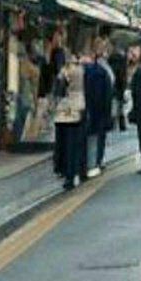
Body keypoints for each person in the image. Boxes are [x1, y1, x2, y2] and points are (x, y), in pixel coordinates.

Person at [52, 51, 85, 190]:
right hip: (77, 108)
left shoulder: (64, 72)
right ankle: (74, 172)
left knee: (64, 144)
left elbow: (58, 91)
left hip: (64, 110)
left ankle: (66, 173)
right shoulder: (81, 70)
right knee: (74, 143)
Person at [83, 48, 114, 176]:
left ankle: (84, 165)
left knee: (85, 138)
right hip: (99, 111)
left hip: (82, 109)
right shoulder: (104, 72)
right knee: (97, 138)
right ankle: (94, 164)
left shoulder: (81, 71)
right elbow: (108, 94)